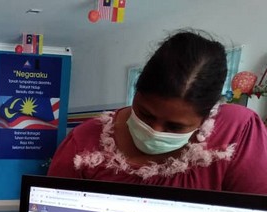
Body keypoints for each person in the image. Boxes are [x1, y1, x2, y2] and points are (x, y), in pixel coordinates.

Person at [48, 29, 267, 194]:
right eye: (145, 114)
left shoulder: (237, 133)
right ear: (136, 93)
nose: (154, 131)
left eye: (174, 127)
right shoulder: (84, 143)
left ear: (207, 115)